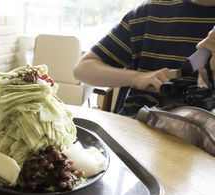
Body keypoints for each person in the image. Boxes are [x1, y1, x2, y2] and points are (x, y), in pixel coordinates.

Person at [73, 0, 215, 116]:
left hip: (199, 144)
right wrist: (137, 78)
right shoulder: (149, 12)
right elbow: (83, 69)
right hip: (131, 135)